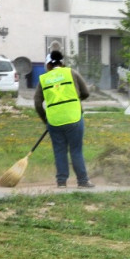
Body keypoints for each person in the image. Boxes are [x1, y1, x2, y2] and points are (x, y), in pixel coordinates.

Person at [34, 50, 94, 188]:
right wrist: (75, 100)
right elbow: (86, 92)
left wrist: (46, 120)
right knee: (76, 150)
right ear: (62, 62)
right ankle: (83, 181)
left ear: (48, 65)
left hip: (54, 121)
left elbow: (37, 104)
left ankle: (61, 182)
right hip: (74, 117)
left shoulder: (43, 79)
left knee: (59, 150)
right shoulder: (71, 73)